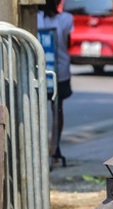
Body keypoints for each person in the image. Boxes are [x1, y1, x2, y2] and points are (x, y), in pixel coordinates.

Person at [37, 0, 74, 167]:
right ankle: (54, 147)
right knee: (57, 109)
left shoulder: (34, 18)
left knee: (38, 109)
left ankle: (44, 148)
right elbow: (67, 43)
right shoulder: (66, 19)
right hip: (59, 70)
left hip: (39, 70)